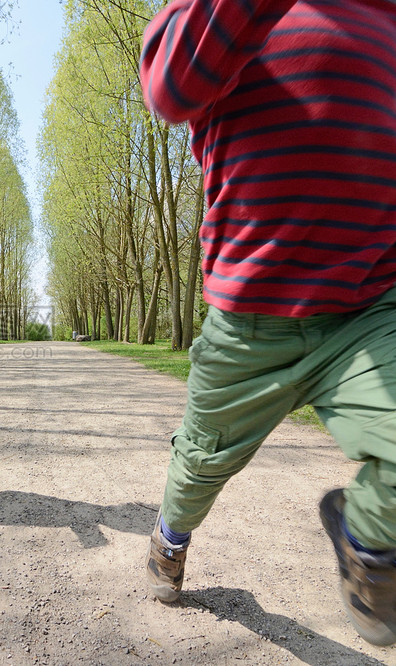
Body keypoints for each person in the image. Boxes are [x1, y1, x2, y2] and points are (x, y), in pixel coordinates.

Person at [139, 0, 396, 646]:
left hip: (369, 306)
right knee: (199, 463)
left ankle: (367, 544)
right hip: (249, 316)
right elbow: (169, 87)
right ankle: (170, 535)